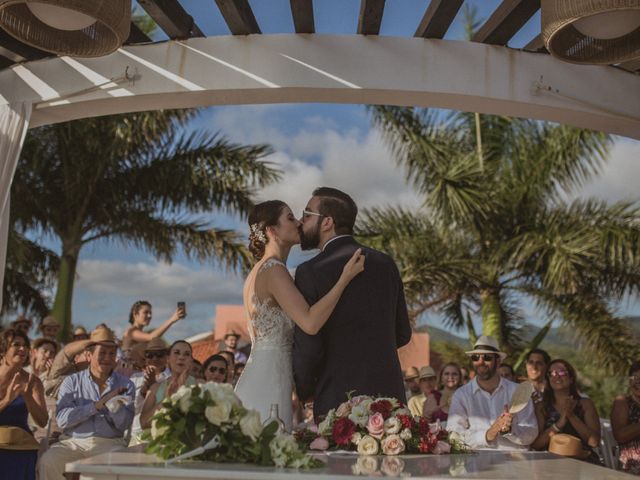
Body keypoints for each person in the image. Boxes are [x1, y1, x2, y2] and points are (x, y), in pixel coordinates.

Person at [235, 198, 365, 430]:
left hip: (263, 375)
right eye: (290, 217)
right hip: (269, 382)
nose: (298, 223)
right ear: (272, 230)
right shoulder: (274, 269)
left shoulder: (258, 271)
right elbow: (310, 322)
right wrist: (344, 279)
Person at [293, 187, 411, 421]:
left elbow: (308, 346)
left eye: (307, 214)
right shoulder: (385, 263)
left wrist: (304, 389)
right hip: (389, 395)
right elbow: (403, 333)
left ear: (327, 222)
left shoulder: (311, 271)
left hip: (337, 397)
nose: (300, 221)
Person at [39, 327, 134, 480]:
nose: (107, 358)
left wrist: (113, 405)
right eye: (102, 353)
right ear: (89, 355)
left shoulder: (126, 384)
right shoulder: (71, 381)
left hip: (110, 444)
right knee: (48, 461)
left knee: (99, 471)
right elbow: (63, 419)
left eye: (111, 353)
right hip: (73, 442)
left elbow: (124, 425)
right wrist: (96, 406)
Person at [447, 335, 538, 450]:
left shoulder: (518, 391)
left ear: (498, 361)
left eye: (487, 357)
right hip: (478, 463)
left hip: (515, 461)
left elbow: (532, 433)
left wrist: (510, 430)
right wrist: (487, 435)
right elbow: (454, 437)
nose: (481, 362)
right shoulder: (461, 395)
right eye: (476, 357)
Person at [531, 359, 600, 463]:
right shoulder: (541, 407)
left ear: (571, 378)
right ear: (548, 379)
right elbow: (536, 444)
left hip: (582, 462)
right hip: (549, 463)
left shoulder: (585, 404)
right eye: (552, 373)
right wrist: (559, 424)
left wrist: (571, 416)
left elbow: (594, 442)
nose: (557, 376)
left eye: (562, 372)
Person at [0, 330, 48, 480]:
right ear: (3, 349)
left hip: (21, 444)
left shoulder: (33, 381)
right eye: (16, 344)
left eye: (25, 345)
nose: (22, 349)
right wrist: (6, 401)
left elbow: (42, 421)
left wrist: (28, 397)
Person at [140, 340, 196, 429]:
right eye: (177, 353)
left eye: (187, 354)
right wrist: (168, 399)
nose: (181, 357)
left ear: (191, 360)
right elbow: (143, 423)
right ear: (168, 358)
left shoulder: (201, 385)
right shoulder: (155, 388)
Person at [129, 338, 170, 445]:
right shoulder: (134, 378)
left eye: (159, 354)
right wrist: (145, 389)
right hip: (136, 435)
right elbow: (131, 409)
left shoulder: (172, 378)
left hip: (164, 435)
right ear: (145, 358)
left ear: (167, 356)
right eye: (150, 355)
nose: (155, 358)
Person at [612, 361, 640, 474]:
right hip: (633, 462)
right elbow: (620, 436)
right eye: (635, 377)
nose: (638, 381)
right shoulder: (623, 402)